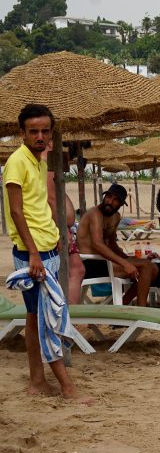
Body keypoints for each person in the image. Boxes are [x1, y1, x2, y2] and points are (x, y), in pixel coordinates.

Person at [3, 104, 90, 402]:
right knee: (49, 320)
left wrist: (54, 236)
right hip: (33, 253)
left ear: (50, 132)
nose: (39, 136)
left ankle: (37, 381)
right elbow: (16, 212)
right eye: (33, 131)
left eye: (44, 130)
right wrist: (35, 255)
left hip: (44, 248)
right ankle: (68, 389)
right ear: (22, 132)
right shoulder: (17, 162)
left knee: (34, 318)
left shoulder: (39, 160)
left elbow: (38, 206)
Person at [77, 184, 160, 307]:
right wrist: (125, 263)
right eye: (109, 197)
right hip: (90, 263)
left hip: (104, 262)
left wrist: (127, 258)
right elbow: (98, 244)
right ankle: (141, 309)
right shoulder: (95, 214)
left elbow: (111, 244)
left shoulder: (115, 217)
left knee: (153, 268)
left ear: (121, 204)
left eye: (116, 200)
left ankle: (122, 303)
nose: (110, 201)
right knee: (146, 266)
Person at [44, 143, 85, 304]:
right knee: (67, 272)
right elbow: (50, 197)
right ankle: (67, 319)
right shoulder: (46, 158)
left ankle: (68, 318)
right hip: (56, 227)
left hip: (60, 226)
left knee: (75, 269)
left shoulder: (50, 159)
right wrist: (62, 229)